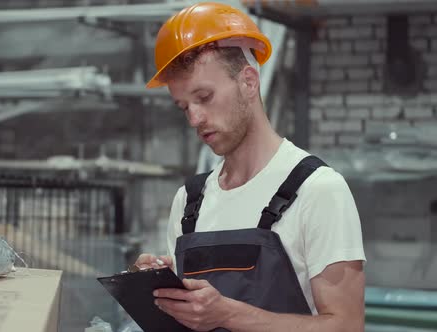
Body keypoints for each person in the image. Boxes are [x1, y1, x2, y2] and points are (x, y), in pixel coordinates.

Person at [135, 3, 366, 331]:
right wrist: (159, 293)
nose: (194, 118)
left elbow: (347, 326)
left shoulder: (318, 190)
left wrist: (228, 314)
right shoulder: (189, 201)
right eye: (184, 106)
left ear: (248, 82)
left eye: (204, 97)